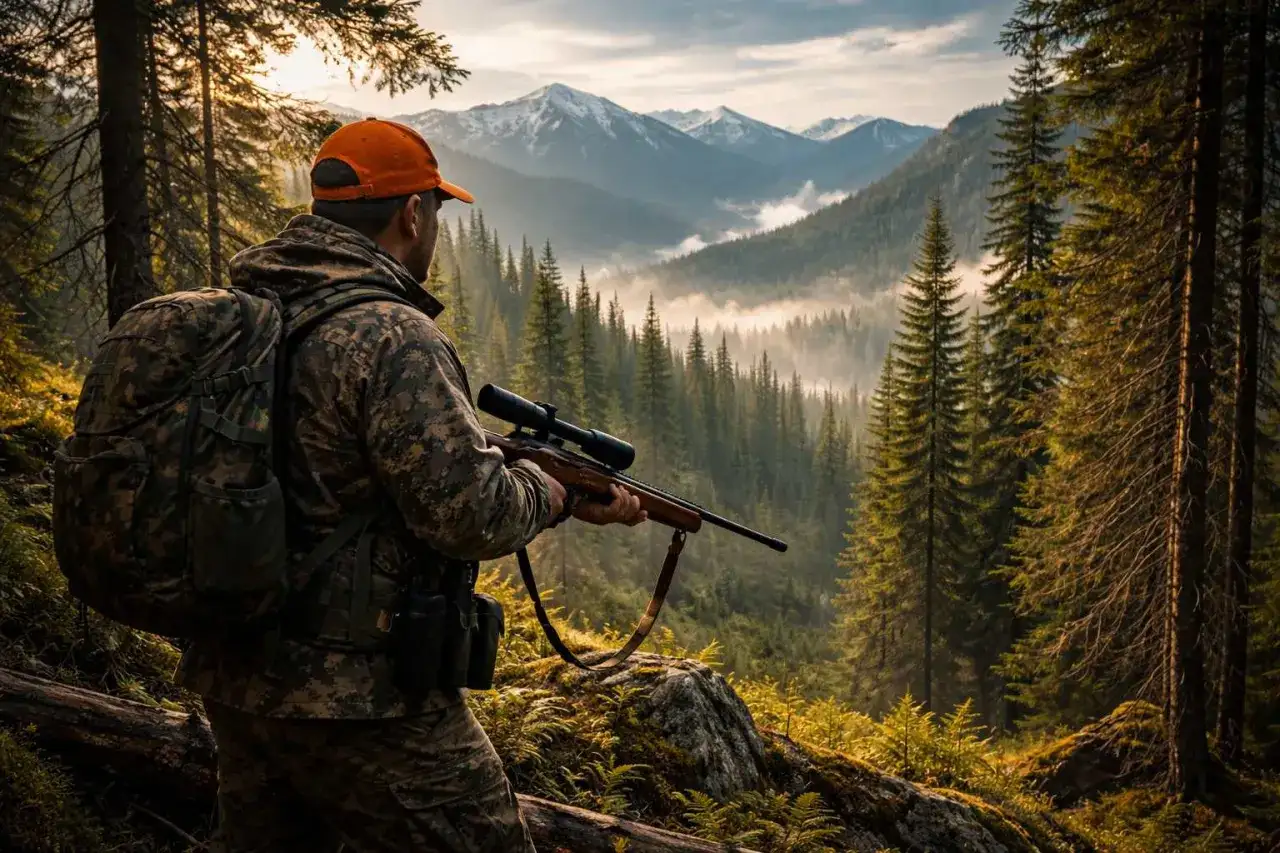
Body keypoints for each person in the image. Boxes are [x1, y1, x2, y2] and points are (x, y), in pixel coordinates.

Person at [177, 117, 647, 853]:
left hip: (236, 666)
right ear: (412, 213)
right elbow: (470, 513)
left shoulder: (256, 308)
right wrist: (549, 494)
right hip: (355, 691)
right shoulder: (393, 334)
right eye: (436, 212)